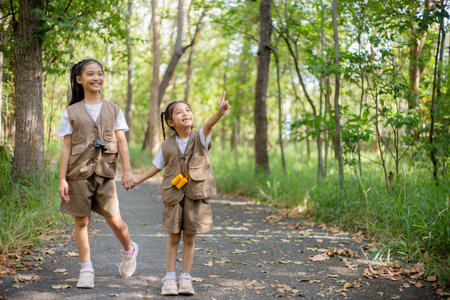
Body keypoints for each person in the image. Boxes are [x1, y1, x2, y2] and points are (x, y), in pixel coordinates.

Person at [131, 93, 230, 296]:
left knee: (190, 238)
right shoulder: (167, 145)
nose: (185, 114)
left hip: (196, 195)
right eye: (179, 112)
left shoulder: (200, 137)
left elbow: (209, 125)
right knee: (173, 237)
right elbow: (155, 167)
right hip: (174, 196)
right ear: (171, 122)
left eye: (188, 110)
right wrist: (136, 180)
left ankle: (185, 276)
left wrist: (219, 113)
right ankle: (169, 277)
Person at [57, 59, 138, 289]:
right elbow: (66, 146)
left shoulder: (114, 110)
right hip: (78, 174)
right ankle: (86, 268)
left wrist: (128, 170)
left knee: (115, 220)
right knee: (82, 221)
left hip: (105, 174)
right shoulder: (71, 111)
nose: (96, 78)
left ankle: (129, 250)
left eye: (100, 74)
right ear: (79, 79)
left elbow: (121, 140)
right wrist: (62, 179)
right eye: (90, 74)